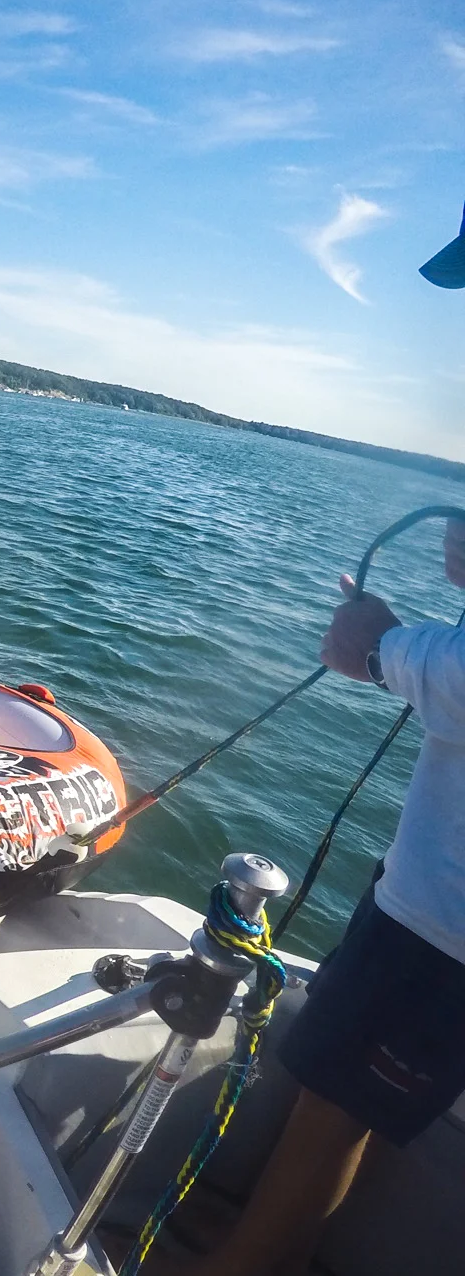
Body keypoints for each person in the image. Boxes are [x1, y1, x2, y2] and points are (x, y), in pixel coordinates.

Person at [184, 518, 465, 1274]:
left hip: (443, 932)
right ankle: (261, 1242)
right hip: (427, 899)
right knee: (340, 1093)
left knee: (338, 1106)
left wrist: (381, 649)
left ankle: (244, 1266)